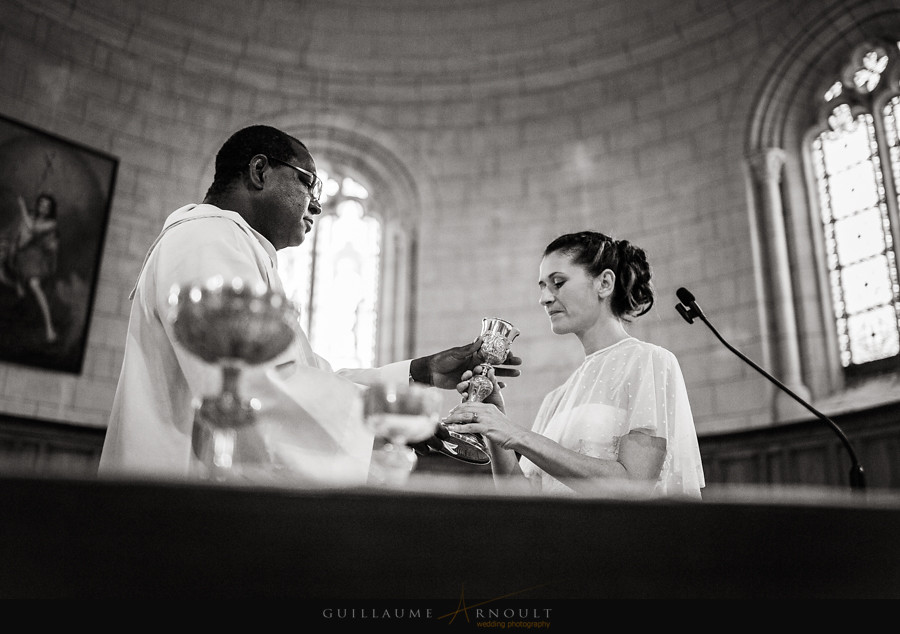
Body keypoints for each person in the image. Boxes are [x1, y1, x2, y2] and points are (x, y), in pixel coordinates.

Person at [99, 125, 519, 482]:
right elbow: (257, 387)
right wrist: (403, 419)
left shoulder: (237, 248)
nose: (316, 203)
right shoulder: (208, 238)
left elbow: (308, 376)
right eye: (309, 182)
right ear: (260, 171)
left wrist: (418, 373)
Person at [443, 231, 705, 499]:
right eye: (542, 286)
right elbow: (525, 500)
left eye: (558, 283)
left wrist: (517, 434)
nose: (544, 298)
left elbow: (634, 485)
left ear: (604, 283)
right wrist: (496, 432)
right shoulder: (556, 397)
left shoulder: (649, 361)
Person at [0, 193, 60, 343]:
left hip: (37, 256)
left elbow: (32, 229)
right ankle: (18, 283)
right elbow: (21, 232)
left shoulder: (51, 223)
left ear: (50, 209)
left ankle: (49, 328)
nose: (43, 208)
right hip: (22, 253)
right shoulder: (32, 216)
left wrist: (22, 207)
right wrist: (14, 245)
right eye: (41, 204)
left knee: (34, 285)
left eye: (47, 206)